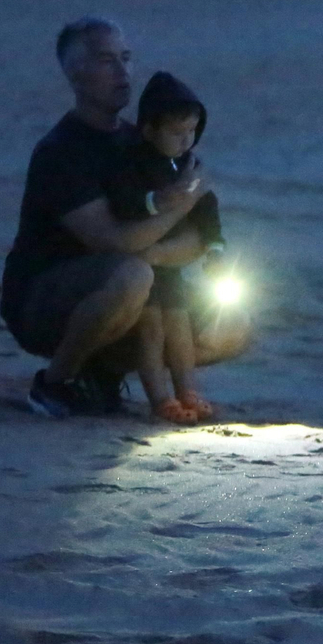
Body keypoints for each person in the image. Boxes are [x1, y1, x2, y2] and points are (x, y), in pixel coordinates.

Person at [1, 17, 251, 419]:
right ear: (76, 73)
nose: (122, 71)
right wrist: (184, 203)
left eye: (126, 58)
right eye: (106, 60)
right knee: (133, 276)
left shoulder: (146, 141)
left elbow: (194, 238)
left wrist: (185, 233)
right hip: (46, 298)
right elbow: (113, 240)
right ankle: (54, 383)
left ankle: (101, 370)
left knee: (232, 324)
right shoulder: (62, 152)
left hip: (132, 286)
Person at [102, 71, 227, 425]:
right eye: (176, 132)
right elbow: (124, 201)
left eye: (191, 132)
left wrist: (215, 247)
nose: (185, 140)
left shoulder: (186, 167)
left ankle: (189, 390)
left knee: (180, 326)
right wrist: (158, 201)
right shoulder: (133, 163)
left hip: (170, 268)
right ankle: (160, 397)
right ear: (149, 129)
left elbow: (207, 206)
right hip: (141, 267)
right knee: (151, 329)